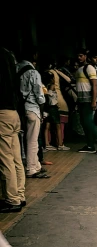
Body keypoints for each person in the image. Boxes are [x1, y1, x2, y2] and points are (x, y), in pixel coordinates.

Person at [0, 45, 26, 212]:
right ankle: (20, 195)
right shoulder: (10, 62)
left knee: (5, 158)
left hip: (2, 114)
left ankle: (12, 198)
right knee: (16, 158)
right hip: (13, 113)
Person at [17, 50, 48, 178]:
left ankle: (36, 165)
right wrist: (41, 111)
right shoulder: (33, 72)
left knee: (25, 138)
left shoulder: (16, 68)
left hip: (19, 108)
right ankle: (31, 168)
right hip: (32, 108)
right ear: (34, 55)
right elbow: (39, 95)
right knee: (32, 140)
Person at [75, 50, 97, 154]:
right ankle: (90, 145)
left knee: (88, 122)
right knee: (84, 122)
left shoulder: (89, 68)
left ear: (86, 56)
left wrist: (94, 101)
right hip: (81, 100)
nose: (79, 58)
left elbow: (94, 85)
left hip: (88, 100)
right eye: (78, 56)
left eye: (81, 55)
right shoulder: (79, 69)